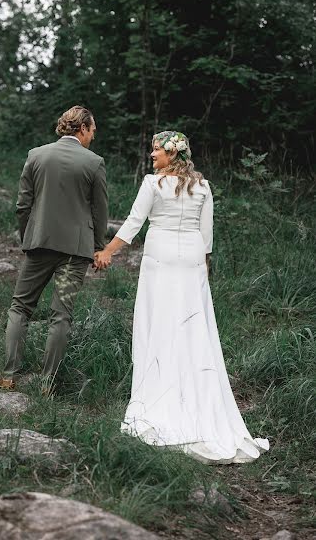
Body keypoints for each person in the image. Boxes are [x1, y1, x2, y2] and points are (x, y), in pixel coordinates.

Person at [94, 131, 269, 464]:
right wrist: (204, 269)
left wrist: (108, 251)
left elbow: (134, 223)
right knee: (192, 325)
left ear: (173, 154)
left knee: (158, 321)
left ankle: (159, 390)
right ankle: (194, 389)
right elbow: (207, 235)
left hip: (161, 258)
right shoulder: (202, 186)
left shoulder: (152, 184)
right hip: (191, 258)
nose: (151, 155)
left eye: (156, 150)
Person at [0, 105, 108, 391]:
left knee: (20, 307)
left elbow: (23, 204)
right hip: (75, 251)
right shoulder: (94, 162)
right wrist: (98, 247)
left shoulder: (36, 155)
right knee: (61, 315)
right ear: (82, 128)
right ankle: (47, 383)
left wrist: (28, 237)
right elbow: (100, 213)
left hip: (39, 243)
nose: (93, 136)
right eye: (92, 130)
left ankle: (9, 375)